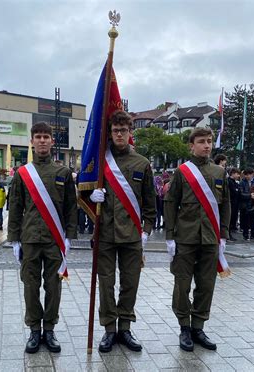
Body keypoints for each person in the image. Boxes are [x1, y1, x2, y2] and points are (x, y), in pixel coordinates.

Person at [89, 110, 156, 353]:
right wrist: (89, 196)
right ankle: (109, 329)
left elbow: (150, 204)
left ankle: (125, 328)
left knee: (130, 283)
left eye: (123, 130)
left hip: (132, 235)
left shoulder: (142, 163)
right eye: (115, 130)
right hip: (105, 233)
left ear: (130, 133)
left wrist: (146, 231)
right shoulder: (99, 161)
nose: (119, 134)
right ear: (110, 133)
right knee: (105, 284)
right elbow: (83, 191)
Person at [7, 122, 77, 354]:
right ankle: (34, 330)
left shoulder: (63, 173)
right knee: (30, 285)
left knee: (54, 286)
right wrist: (14, 239)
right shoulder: (22, 174)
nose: (43, 140)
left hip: (54, 240)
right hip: (30, 239)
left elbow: (70, 208)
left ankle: (50, 329)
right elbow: (15, 207)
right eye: (38, 137)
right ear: (32, 141)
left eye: (46, 136)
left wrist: (69, 237)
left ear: (52, 141)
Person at [164, 127, 230, 352]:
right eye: (202, 141)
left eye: (210, 141)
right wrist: (169, 236)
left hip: (210, 238)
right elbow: (171, 203)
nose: (207, 145)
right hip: (185, 237)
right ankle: (184, 327)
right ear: (191, 145)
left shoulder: (219, 173)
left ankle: (198, 326)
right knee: (182, 284)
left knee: (206, 285)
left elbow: (226, 205)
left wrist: (223, 234)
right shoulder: (182, 172)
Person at [239, 168, 254, 241]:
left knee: (253, 220)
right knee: (245, 220)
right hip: (245, 204)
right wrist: (250, 195)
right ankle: (245, 235)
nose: (247, 176)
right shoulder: (242, 182)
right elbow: (240, 193)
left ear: (252, 174)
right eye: (245, 175)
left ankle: (253, 235)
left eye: (248, 175)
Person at [227, 168, 240, 241]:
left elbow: (238, 191)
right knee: (230, 219)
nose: (238, 175)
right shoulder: (229, 182)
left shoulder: (234, 182)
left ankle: (229, 234)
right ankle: (228, 234)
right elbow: (235, 192)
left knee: (233, 219)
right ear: (233, 173)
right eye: (237, 174)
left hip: (235, 203)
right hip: (231, 203)